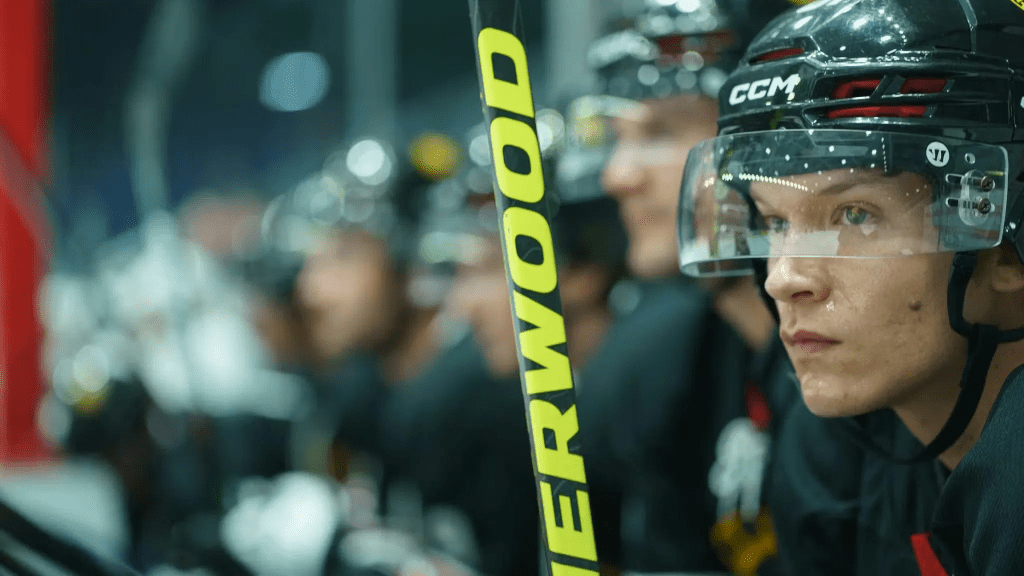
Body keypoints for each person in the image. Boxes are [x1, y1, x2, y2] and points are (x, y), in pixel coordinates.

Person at [675, 0, 1024, 574]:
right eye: (774, 222)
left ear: (1007, 248)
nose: (785, 278)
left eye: (855, 215)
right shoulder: (837, 443)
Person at [582, 0, 799, 572]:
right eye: (617, 137)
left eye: (658, 132)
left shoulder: (876, 370)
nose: (617, 176)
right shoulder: (664, 365)